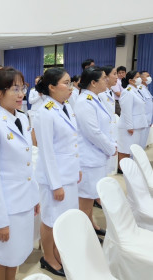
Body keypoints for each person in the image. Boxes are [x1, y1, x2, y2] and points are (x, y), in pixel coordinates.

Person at [0, 67, 39, 280]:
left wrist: (35, 197)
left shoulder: (21, 119)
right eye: (15, 89)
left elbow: (27, 164)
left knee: (16, 255)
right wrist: (0, 219)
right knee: (1, 255)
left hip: (24, 201)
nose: (21, 94)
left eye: (22, 88)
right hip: (7, 205)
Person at [34, 68, 81, 277]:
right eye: (66, 83)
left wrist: (77, 168)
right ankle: (48, 257)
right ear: (52, 87)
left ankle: (58, 251)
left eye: (71, 82)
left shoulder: (66, 107)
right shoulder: (45, 112)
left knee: (64, 218)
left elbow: (73, 142)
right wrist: (56, 184)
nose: (70, 87)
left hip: (68, 173)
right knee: (50, 219)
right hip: (54, 178)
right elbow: (46, 151)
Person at [75, 67, 116, 239]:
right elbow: (93, 132)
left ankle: (90, 225)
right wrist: (110, 148)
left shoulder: (94, 98)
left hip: (96, 156)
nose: (106, 81)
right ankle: (84, 235)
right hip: (88, 158)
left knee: (91, 196)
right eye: (103, 78)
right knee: (85, 199)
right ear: (93, 82)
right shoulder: (84, 102)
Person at [118, 71, 148, 165]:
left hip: (136, 126)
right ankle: (124, 172)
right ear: (131, 80)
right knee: (126, 151)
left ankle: (130, 171)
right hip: (129, 127)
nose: (140, 79)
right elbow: (126, 111)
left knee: (132, 151)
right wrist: (129, 127)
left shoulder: (136, 91)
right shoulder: (127, 92)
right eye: (137, 77)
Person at [99, 66, 118, 175]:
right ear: (105, 77)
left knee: (109, 168)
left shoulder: (110, 91)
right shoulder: (100, 94)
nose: (117, 77)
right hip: (105, 134)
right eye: (114, 74)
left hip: (111, 133)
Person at [139, 70, 153, 148]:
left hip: (147, 121)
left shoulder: (145, 89)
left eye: (149, 76)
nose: (149, 78)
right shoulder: (140, 89)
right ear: (141, 78)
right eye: (147, 76)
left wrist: (150, 120)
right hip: (142, 121)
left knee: (143, 143)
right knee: (139, 143)